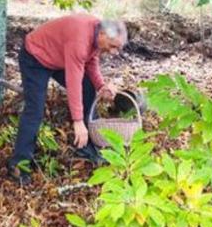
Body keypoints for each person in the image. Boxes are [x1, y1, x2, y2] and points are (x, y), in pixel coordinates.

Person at [7, 13, 127, 184]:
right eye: (113, 46)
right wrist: (77, 121)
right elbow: (73, 82)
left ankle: (86, 146)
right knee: (35, 111)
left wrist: (100, 86)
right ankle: (19, 164)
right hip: (35, 57)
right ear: (102, 35)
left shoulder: (95, 33)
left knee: (88, 89)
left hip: (58, 56)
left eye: (118, 48)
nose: (114, 52)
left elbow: (90, 60)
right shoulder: (80, 40)